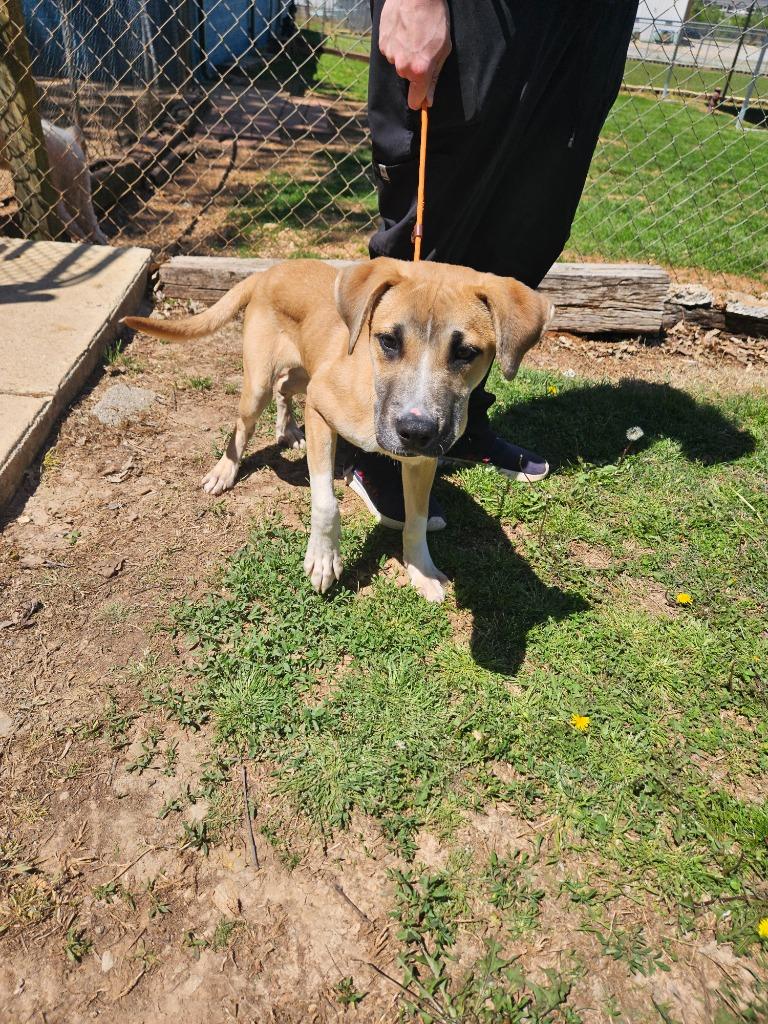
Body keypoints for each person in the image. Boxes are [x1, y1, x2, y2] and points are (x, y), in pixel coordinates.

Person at [346, 0, 639, 530]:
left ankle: (461, 422)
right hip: (486, 13)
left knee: (526, 228)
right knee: (432, 219)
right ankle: (375, 447)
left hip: (591, 22)